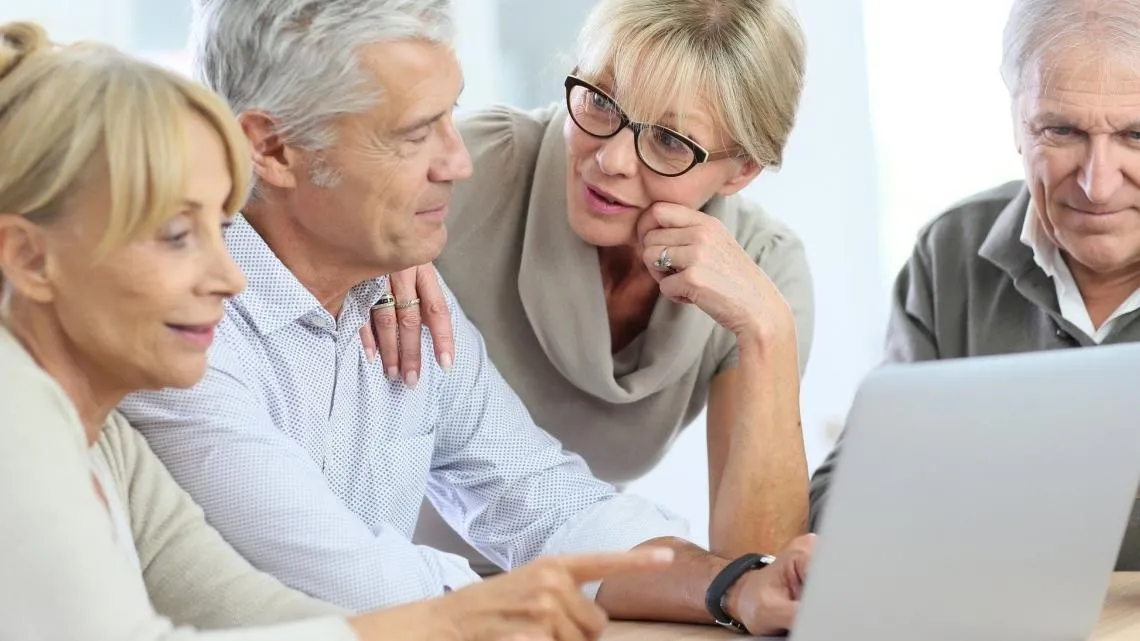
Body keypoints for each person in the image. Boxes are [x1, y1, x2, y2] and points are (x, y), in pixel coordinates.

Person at [119, 0, 816, 636]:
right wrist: (538, 599)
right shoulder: (181, 329)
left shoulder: (401, 290)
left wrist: (733, 584)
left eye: (450, 117)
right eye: (417, 133)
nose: (458, 163)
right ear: (273, 150)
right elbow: (356, 582)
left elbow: (545, 499)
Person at [0, 19, 686, 641]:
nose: (229, 273)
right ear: (27, 259)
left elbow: (244, 604)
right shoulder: (29, 407)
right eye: (179, 235)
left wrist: (468, 615)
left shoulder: (106, 442)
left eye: (218, 222)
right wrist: (477, 612)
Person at [384, 0, 815, 571]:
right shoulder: (471, 166)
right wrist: (375, 237)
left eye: (669, 140)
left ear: (741, 171)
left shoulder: (764, 271)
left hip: (567, 587)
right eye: (601, 101)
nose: (611, 158)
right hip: (376, 577)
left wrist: (767, 332)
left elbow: (756, 573)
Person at [809, 0, 1140, 569]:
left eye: (1136, 134)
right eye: (1061, 130)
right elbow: (848, 500)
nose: (1098, 185)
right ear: (1017, 125)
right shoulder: (950, 251)